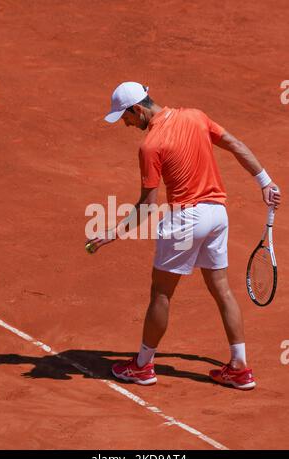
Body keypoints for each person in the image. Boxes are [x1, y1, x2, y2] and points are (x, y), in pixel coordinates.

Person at [86, 82, 281, 390]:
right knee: (221, 289)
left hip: (186, 220)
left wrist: (114, 232)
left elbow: (148, 206)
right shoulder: (195, 116)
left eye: (125, 117)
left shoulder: (150, 146)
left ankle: (142, 366)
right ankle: (240, 368)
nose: (125, 124)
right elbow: (234, 144)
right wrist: (265, 182)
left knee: (161, 293)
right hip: (217, 216)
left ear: (138, 109)